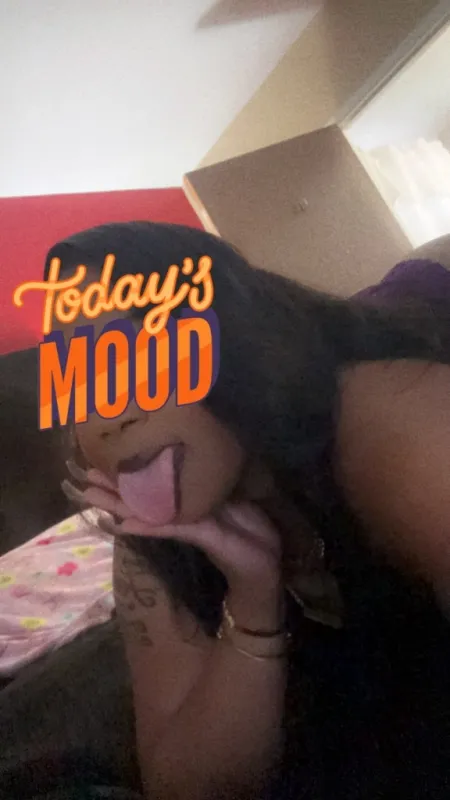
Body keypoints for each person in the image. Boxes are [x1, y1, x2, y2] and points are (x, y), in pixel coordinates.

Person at [17, 224, 450, 798]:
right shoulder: (149, 547)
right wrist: (252, 602)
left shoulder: (390, 420)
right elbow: (187, 786)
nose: (108, 419)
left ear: (235, 339)